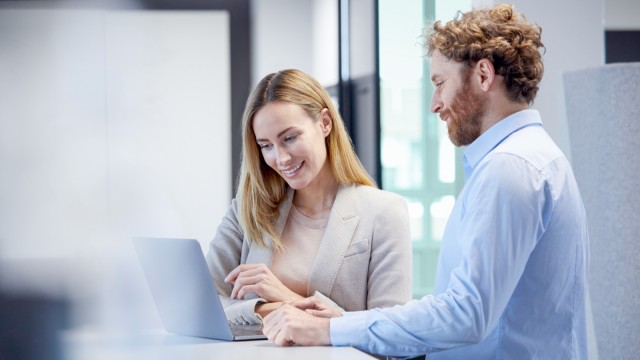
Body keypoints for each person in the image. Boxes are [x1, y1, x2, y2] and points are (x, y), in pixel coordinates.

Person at [262, 4, 590, 359]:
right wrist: (347, 321)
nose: (434, 104)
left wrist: (330, 329)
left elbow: (466, 315)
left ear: (483, 75)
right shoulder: (537, 157)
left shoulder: (509, 169)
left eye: (439, 83)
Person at [205, 68, 413, 326]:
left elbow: (391, 332)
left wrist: (286, 297)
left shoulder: (383, 212)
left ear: (325, 123)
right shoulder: (247, 209)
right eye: (266, 146)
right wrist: (264, 308)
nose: (281, 159)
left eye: (290, 138)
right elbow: (205, 304)